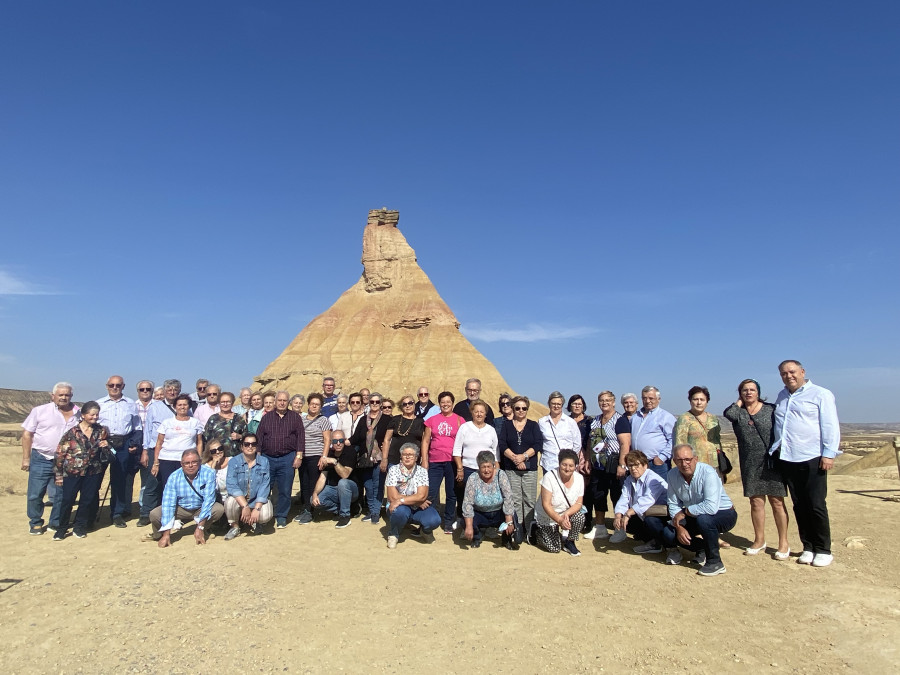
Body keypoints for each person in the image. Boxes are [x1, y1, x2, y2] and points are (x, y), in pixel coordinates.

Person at [770, 360, 840, 567]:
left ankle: (823, 549)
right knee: (799, 504)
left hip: (812, 456)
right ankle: (808, 546)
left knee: (816, 504)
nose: (788, 376)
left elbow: (830, 425)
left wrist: (829, 454)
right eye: (784, 373)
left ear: (802, 372)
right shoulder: (782, 396)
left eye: (792, 372)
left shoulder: (821, 394)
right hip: (788, 457)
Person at [724, 379, 790, 559]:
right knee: (756, 502)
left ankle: (783, 542)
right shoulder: (739, 413)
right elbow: (728, 413)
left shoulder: (770, 409)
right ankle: (759, 540)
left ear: (758, 392)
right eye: (744, 390)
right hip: (750, 464)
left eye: (752, 390)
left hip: (771, 462)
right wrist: (739, 402)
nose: (749, 393)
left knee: (777, 501)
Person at [662, 445, 738, 576]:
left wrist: (685, 511)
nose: (684, 464)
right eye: (679, 460)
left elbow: (710, 507)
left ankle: (715, 562)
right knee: (669, 533)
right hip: (694, 514)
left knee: (704, 520)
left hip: (723, 513)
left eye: (688, 459)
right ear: (674, 461)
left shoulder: (708, 472)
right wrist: (679, 526)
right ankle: (702, 547)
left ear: (695, 459)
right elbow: (673, 504)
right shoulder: (672, 475)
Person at [22, 382, 80, 535]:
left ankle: (55, 522)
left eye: (67, 395)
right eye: (60, 394)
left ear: (71, 396)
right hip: (42, 457)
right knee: (35, 493)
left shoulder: (78, 413)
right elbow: (27, 434)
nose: (63, 397)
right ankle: (35, 522)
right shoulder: (39, 411)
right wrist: (26, 458)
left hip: (66, 460)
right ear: (52, 396)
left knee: (61, 494)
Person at [52, 401, 111, 541]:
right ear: (84, 415)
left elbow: (107, 450)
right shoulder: (72, 433)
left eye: (97, 414)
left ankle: (79, 527)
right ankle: (62, 528)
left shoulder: (101, 431)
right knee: (67, 500)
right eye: (92, 414)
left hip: (93, 472)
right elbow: (60, 454)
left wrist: (107, 445)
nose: (95, 417)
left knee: (87, 500)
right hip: (72, 472)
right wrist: (58, 475)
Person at [143, 449, 225, 547]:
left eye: (194, 462)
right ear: (182, 464)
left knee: (218, 509)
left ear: (199, 462)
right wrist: (167, 534)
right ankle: (159, 535)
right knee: (155, 514)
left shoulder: (209, 473)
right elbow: (168, 503)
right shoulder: (174, 477)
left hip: (200, 507)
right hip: (180, 508)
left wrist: (200, 527)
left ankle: (205, 528)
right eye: (187, 463)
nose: (190, 466)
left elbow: (208, 500)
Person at [97, 375, 143, 528]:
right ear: (106, 386)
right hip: (103, 444)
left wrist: (132, 443)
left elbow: (137, 427)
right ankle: (89, 514)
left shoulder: (131, 404)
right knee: (95, 479)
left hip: (123, 444)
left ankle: (117, 513)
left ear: (123, 386)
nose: (115, 388)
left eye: (118, 385)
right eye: (111, 385)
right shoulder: (99, 404)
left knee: (120, 480)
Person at [497, 395, 542, 544]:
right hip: (511, 468)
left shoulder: (533, 425)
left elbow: (537, 445)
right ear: (513, 409)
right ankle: (518, 529)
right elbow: (502, 444)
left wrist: (523, 457)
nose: (521, 411)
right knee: (515, 500)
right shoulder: (507, 425)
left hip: (530, 469)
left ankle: (529, 530)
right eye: (517, 408)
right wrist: (515, 458)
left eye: (524, 408)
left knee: (529, 500)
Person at [256, 390, 304, 529]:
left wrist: (298, 456)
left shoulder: (295, 417)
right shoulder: (267, 417)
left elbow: (301, 438)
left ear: (288, 402)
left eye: (284, 400)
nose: (282, 403)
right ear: (275, 402)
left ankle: (281, 516)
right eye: (279, 400)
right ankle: (262, 516)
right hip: (267, 458)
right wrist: (258, 457)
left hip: (287, 458)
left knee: (285, 489)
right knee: (264, 488)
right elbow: (259, 437)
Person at [421, 391, 466, 534]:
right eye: (443, 402)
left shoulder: (460, 420)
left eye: (448, 402)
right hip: (434, 461)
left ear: (452, 403)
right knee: (431, 492)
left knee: (451, 494)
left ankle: (448, 522)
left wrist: (461, 466)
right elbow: (426, 441)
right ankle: (430, 520)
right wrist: (425, 460)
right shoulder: (432, 420)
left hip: (452, 462)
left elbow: (464, 443)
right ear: (439, 403)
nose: (445, 404)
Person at [138, 378, 181, 526]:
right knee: (152, 481)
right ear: (164, 391)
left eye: (175, 390)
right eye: (169, 390)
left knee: (170, 483)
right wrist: (144, 450)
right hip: (154, 449)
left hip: (174, 450)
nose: (172, 392)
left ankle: (168, 512)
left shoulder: (183, 407)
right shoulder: (155, 407)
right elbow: (147, 430)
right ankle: (146, 513)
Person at [612, 451, 670, 557]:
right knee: (627, 522)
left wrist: (628, 513)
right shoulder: (629, 479)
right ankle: (652, 542)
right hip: (647, 512)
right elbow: (624, 498)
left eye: (636, 465)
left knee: (650, 520)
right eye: (630, 465)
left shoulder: (653, 479)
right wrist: (618, 515)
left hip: (663, 514)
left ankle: (664, 544)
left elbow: (647, 501)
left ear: (645, 465)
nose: (633, 468)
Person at [384, 443, 441, 549]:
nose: (407, 456)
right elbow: (392, 497)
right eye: (405, 454)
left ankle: (425, 531)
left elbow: (422, 496)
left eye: (411, 454)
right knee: (400, 511)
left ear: (416, 457)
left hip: (416, 506)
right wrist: (416, 500)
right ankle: (393, 534)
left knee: (434, 519)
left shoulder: (422, 471)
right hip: (402, 507)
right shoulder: (393, 470)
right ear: (401, 456)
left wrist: (401, 500)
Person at [452, 399, 499, 520]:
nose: (479, 414)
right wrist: (460, 468)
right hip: (468, 468)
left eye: (481, 412)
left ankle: (484, 523)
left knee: (486, 497)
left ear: (485, 414)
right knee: (467, 497)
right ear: (472, 413)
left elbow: (495, 453)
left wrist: (496, 471)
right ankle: (465, 523)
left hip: (487, 470)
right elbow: (457, 450)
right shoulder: (464, 427)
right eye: (476, 411)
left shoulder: (491, 430)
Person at [584, 391, 622, 540]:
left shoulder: (620, 420)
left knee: (616, 496)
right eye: (601, 400)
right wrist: (588, 459)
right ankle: (600, 527)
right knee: (598, 495)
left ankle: (620, 530)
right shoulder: (595, 420)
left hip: (614, 464)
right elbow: (589, 441)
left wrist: (622, 464)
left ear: (613, 402)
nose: (604, 403)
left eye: (608, 400)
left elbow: (625, 443)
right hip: (598, 465)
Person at [347, 392, 390, 524]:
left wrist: (385, 458)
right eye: (372, 402)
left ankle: (376, 512)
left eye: (377, 402)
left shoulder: (387, 419)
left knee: (378, 485)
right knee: (368, 485)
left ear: (381, 403)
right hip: (364, 458)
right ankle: (371, 511)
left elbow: (389, 439)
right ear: (369, 404)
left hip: (379, 458)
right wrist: (342, 442)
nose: (375, 404)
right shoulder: (363, 419)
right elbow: (355, 438)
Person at [461, 450, 518, 549]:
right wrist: (469, 526)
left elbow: (508, 497)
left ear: (493, 466)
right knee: (465, 521)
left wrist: (509, 521)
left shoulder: (501, 475)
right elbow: (467, 503)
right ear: (479, 467)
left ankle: (506, 539)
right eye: (483, 467)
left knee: (513, 517)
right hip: (480, 513)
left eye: (489, 466)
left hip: (498, 512)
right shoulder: (473, 478)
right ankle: (477, 537)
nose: (486, 470)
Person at [533, 449, 585, 556]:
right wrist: (559, 520)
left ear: (575, 466)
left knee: (580, 517)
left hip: (565, 512)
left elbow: (579, 503)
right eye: (564, 465)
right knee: (554, 548)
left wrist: (566, 514)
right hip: (548, 514)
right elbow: (546, 504)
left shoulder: (579, 478)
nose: (567, 468)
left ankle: (570, 542)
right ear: (559, 463)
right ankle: (535, 531)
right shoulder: (549, 477)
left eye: (571, 466)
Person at [223, 433, 272, 540]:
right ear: (241, 446)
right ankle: (235, 527)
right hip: (240, 500)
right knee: (230, 502)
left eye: (253, 444)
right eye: (247, 444)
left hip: (256, 499)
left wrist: (257, 508)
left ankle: (256, 523)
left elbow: (265, 486)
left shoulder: (264, 461)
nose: (250, 446)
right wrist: (245, 506)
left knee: (266, 514)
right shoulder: (233, 462)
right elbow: (232, 485)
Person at [151, 394, 205, 493]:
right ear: (175, 406)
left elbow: (199, 442)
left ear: (189, 406)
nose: (182, 407)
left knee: (187, 487)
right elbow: (159, 443)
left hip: (188, 460)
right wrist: (156, 463)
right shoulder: (167, 423)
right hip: (167, 459)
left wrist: (199, 458)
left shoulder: (195, 423)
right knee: (169, 487)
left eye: (185, 404)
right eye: (179, 405)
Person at [293, 393, 332, 524]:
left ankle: (310, 511)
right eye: (312, 404)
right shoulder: (301, 419)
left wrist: (324, 456)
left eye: (317, 404)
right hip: (303, 456)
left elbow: (327, 439)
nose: (314, 406)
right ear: (308, 405)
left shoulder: (323, 420)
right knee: (303, 484)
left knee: (312, 484)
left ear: (321, 406)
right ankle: (305, 508)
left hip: (316, 455)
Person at [311, 429, 358, 528]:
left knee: (343, 482)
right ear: (331, 442)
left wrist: (334, 461)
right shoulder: (330, 453)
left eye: (341, 441)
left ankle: (345, 516)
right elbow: (323, 477)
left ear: (344, 440)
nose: (338, 444)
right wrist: (315, 493)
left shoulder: (350, 452)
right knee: (314, 501)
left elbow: (345, 475)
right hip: (334, 489)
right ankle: (342, 509)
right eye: (335, 441)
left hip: (351, 489)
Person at [673, 386, 724, 475]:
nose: (699, 402)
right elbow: (680, 444)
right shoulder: (684, 419)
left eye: (702, 399)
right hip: (695, 465)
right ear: (690, 401)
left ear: (707, 401)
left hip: (715, 464)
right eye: (695, 399)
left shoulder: (713, 418)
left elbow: (717, 441)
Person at [630, 386, 676, 479]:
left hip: (657, 465)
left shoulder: (666, 417)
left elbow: (673, 440)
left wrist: (661, 458)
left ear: (658, 399)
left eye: (651, 398)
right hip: (638, 463)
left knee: (660, 492)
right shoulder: (635, 417)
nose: (647, 401)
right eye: (644, 398)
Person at [381, 395, 425, 477]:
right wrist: (384, 459)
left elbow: (424, 442)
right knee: (394, 487)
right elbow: (387, 440)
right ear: (401, 407)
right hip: (394, 460)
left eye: (410, 403)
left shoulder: (420, 422)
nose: (407, 406)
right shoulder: (395, 420)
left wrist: (424, 460)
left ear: (414, 405)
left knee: (412, 488)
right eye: (404, 404)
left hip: (413, 461)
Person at [538, 391, 581, 474]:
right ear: (549, 404)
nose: (556, 406)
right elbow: (539, 442)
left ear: (562, 405)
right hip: (548, 464)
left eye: (558, 404)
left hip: (566, 466)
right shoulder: (542, 422)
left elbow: (577, 444)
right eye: (553, 403)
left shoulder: (570, 422)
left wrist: (570, 458)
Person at [134, 380, 155, 524]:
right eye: (142, 389)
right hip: (134, 444)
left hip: (150, 445)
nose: (145, 391)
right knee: (128, 480)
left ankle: (145, 510)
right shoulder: (131, 405)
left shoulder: (158, 405)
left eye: (148, 389)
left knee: (149, 478)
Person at [203, 391, 247, 457]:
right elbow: (206, 438)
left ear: (232, 403)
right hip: (217, 456)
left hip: (235, 456)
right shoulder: (213, 419)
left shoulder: (239, 418)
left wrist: (240, 436)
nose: (225, 404)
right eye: (222, 402)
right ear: (219, 403)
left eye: (228, 402)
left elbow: (247, 435)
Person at [202, 439, 230, 505]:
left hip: (231, 497)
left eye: (220, 448)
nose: (217, 452)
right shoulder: (205, 468)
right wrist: (213, 466)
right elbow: (209, 488)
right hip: (215, 499)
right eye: (213, 451)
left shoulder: (232, 461)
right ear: (209, 453)